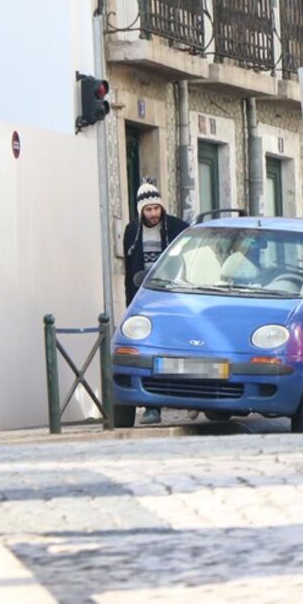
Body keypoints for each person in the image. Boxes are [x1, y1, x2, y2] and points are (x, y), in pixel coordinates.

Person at [123, 180, 188, 424]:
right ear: (141, 210)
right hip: (145, 302)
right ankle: (152, 406)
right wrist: (131, 306)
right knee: (149, 353)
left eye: (156, 208)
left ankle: (187, 397)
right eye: (148, 210)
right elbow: (130, 273)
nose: (153, 214)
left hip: (173, 300)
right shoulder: (132, 232)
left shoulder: (177, 228)